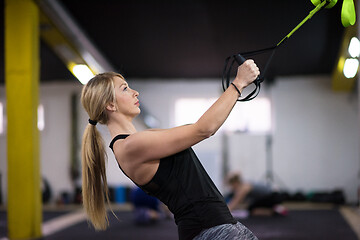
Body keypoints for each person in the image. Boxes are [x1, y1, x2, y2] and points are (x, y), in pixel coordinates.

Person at [80, 59, 260, 240]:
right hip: (211, 230)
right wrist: (238, 84)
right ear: (110, 105)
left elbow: (199, 127)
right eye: (125, 88)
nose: (136, 92)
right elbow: (204, 129)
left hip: (218, 227)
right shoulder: (130, 146)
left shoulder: (140, 139)